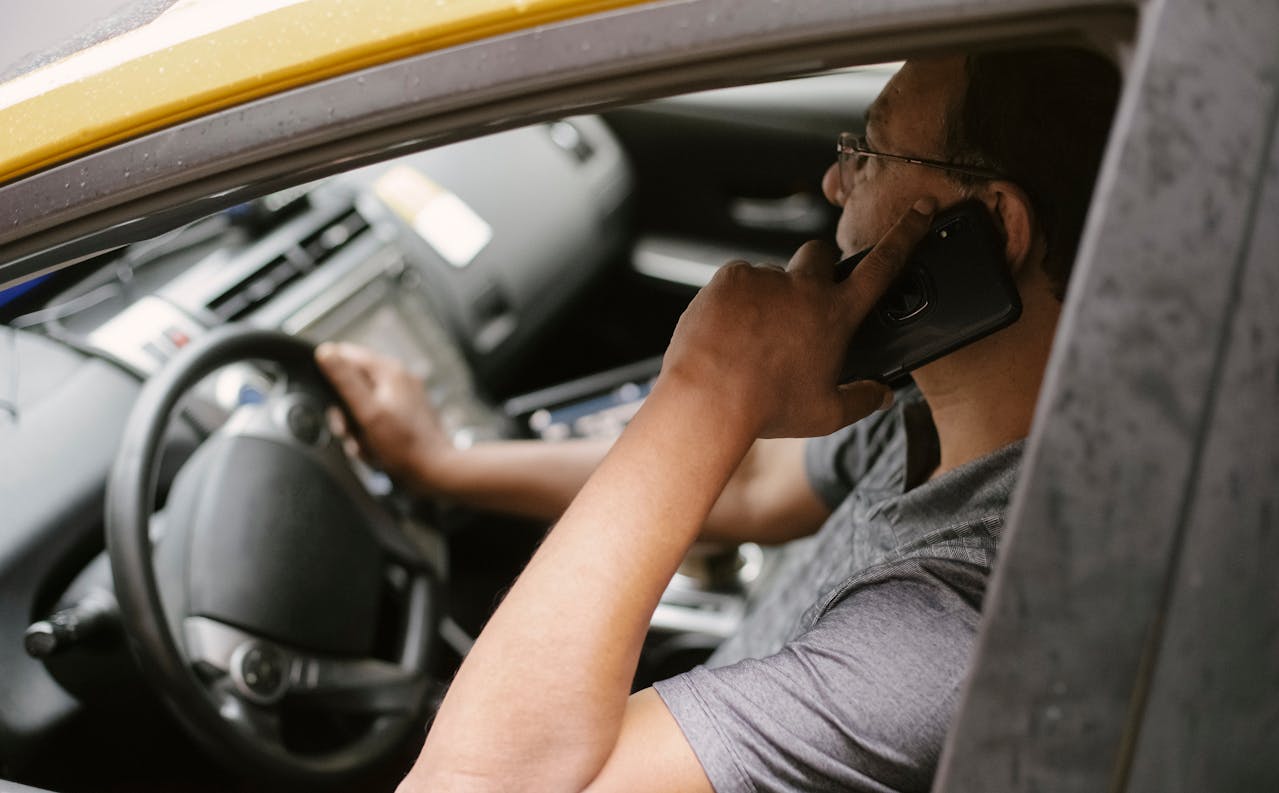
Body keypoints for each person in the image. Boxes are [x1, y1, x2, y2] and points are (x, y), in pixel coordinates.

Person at [317, 49, 1119, 793]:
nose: (834, 186)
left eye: (868, 155)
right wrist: (442, 463)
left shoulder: (948, 636)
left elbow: (476, 782)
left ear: (992, 225)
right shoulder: (934, 406)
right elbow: (759, 488)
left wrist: (707, 385)